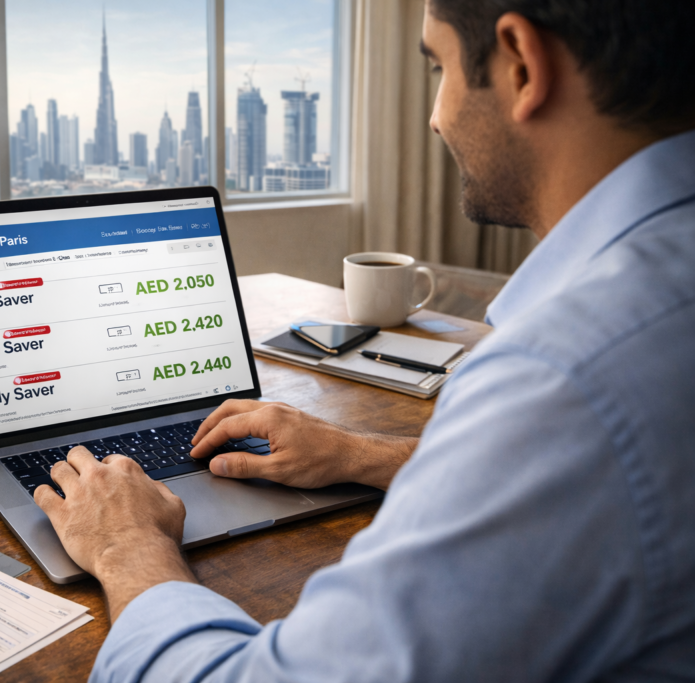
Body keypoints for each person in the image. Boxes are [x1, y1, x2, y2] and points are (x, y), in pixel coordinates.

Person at [36, 0, 695, 679]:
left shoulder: (563, 379)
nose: (436, 116)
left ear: (522, 64)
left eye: (439, 67)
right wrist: (360, 453)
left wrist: (128, 547)